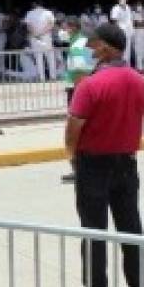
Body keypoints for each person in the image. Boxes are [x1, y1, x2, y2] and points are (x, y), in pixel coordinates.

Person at [64, 24, 144, 287]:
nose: (91, 50)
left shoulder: (89, 85)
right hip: (127, 162)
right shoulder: (139, 81)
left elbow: (74, 127)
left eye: (94, 45)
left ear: (106, 47)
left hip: (93, 163)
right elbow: (140, 113)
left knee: (94, 230)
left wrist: (72, 157)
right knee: (131, 227)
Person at [61, 18, 96, 183]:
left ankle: (79, 169)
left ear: (73, 28)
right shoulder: (80, 41)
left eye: (65, 27)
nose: (63, 30)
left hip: (77, 89)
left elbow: (80, 69)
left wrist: (79, 93)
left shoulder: (77, 45)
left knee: (77, 130)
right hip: (79, 88)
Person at [24, 0, 57, 80]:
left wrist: (36, 34)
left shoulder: (30, 13)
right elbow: (51, 24)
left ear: (35, 4)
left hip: (35, 37)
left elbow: (28, 26)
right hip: (46, 37)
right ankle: (53, 77)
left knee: (38, 58)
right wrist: (42, 33)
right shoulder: (48, 12)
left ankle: (41, 78)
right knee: (50, 57)